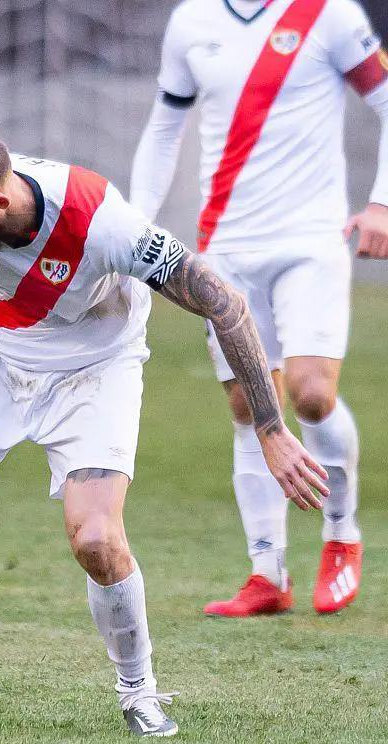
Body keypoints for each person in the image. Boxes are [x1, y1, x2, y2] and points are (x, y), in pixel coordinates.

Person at [0, 125, 328, 737]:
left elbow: (224, 304)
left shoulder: (105, 223)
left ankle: (138, 690)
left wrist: (271, 428)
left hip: (95, 370)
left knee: (96, 540)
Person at [130, 0, 388, 615]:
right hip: (226, 247)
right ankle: (267, 572)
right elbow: (164, 129)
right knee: (248, 404)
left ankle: (341, 535)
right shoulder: (191, 21)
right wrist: (135, 226)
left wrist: (382, 203)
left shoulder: (327, 13)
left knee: (310, 393)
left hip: (310, 241)